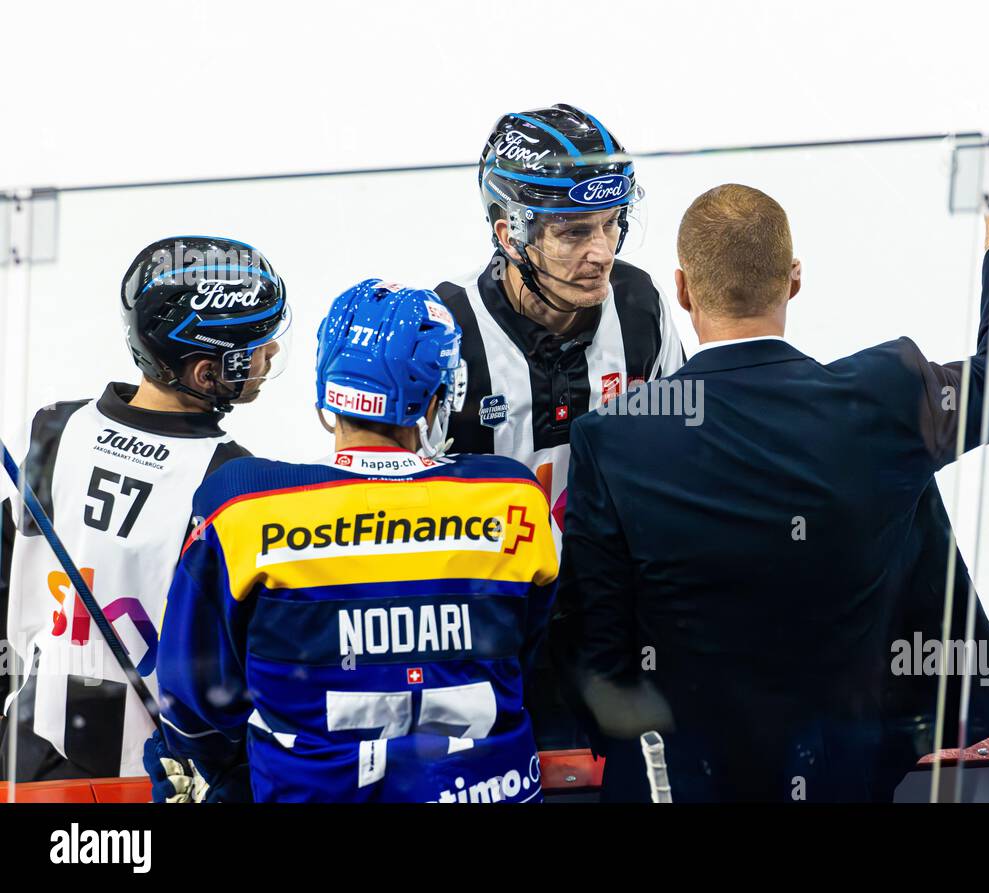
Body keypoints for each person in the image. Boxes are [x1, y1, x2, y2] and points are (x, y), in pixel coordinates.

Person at [552, 172, 989, 802]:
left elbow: (593, 641)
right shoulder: (886, 399)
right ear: (794, 277)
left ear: (681, 289)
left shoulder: (615, 440)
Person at [150, 280, 558, 802]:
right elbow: (536, 656)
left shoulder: (243, 502)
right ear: (440, 393)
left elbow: (194, 699)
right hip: (486, 788)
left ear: (328, 383)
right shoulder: (510, 494)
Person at [435, 103, 684, 747]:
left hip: (610, 625)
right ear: (508, 232)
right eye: (574, 232)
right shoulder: (443, 334)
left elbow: (678, 461)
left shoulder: (640, 306)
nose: (601, 253)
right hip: (482, 629)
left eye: (612, 225)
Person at [0, 236, 289, 782]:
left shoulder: (49, 430)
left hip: (28, 750)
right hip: (158, 773)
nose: (270, 353)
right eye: (259, 344)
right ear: (207, 372)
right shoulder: (232, 481)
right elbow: (238, 657)